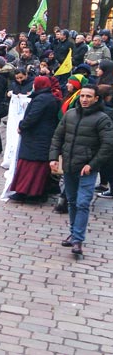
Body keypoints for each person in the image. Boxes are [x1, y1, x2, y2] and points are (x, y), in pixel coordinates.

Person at [49, 85, 113, 255]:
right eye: (82, 96)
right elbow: (58, 136)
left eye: (88, 96)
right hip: (69, 166)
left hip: (87, 169)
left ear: (96, 98)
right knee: (71, 202)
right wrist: (53, 157)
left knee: (83, 203)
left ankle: (78, 239)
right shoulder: (70, 114)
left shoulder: (102, 119)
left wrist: (92, 165)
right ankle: (73, 233)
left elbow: (107, 146)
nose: (84, 99)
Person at [7, 76, 60, 202]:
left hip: (37, 138)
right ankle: (25, 191)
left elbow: (33, 116)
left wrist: (22, 126)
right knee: (31, 166)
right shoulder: (47, 98)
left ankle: (33, 193)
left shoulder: (42, 99)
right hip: (39, 137)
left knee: (33, 166)